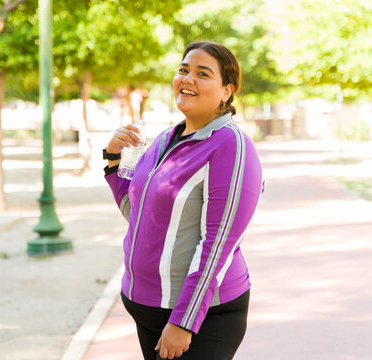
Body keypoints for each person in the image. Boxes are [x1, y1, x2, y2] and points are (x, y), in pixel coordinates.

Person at [103, 40, 264, 360]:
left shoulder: (231, 145)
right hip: (148, 309)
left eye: (202, 73)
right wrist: (112, 162)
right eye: (183, 70)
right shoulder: (167, 138)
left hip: (202, 318)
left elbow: (218, 244)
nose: (188, 78)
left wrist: (184, 322)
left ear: (226, 91)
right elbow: (139, 215)